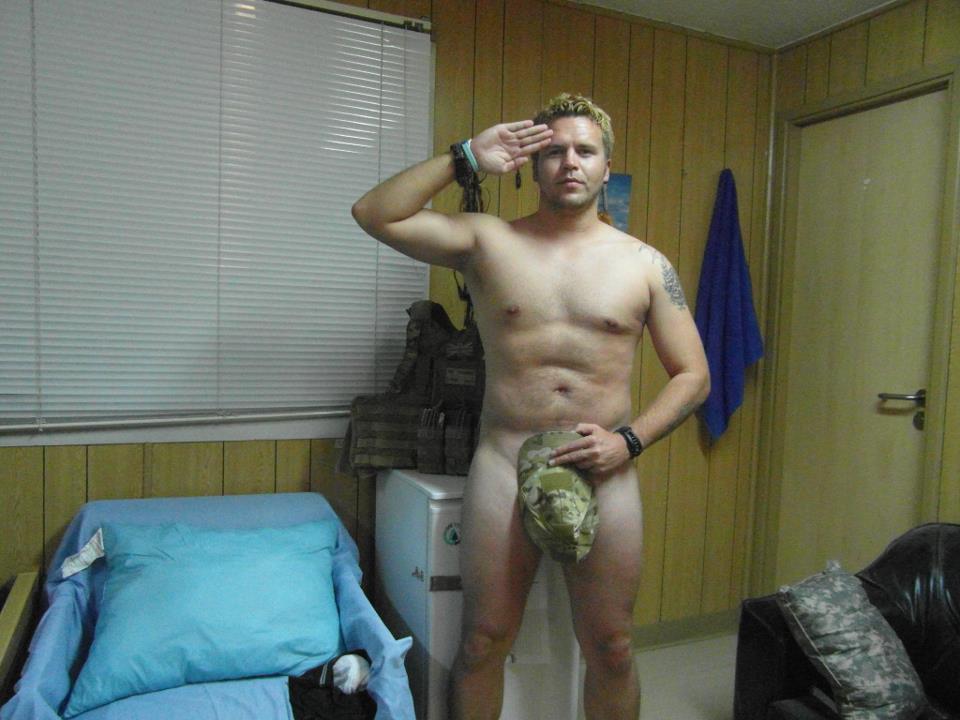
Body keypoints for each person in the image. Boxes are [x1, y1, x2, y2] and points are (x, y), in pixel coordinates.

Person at [352, 93, 710, 720]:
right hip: (505, 461)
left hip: (604, 465)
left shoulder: (645, 264)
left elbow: (694, 375)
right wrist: (464, 157)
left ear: (606, 167)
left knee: (612, 646)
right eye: (553, 151)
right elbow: (375, 213)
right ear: (531, 165)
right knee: (483, 641)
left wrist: (629, 441)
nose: (570, 162)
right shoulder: (487, 241)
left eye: (585, 151)